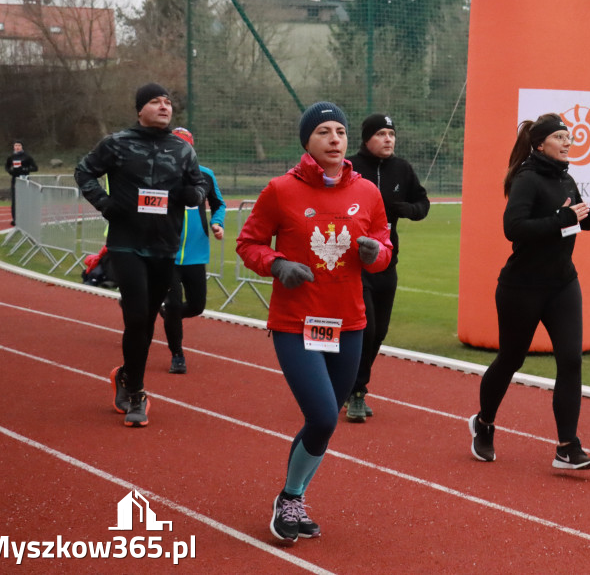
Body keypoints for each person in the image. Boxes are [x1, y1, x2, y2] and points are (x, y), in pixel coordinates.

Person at [236, 101, 392, 543]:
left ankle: (293, 496)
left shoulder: (368, 193)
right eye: (324, 131)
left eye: (340, 132)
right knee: (323, 416)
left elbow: (384, 247)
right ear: (307, 141)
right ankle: (290, 497)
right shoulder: (280, 190)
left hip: (349, 324)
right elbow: (249, 243)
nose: (335, 140)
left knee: (326, 419)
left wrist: (375, 255)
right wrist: (276, 264)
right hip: (295, 323)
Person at [469, 112, 590, 470]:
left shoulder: (566, 178)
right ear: (540, 144)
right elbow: (514, 228)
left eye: (569, 136)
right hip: (522, 287)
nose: (568, 142)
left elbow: (579, 222)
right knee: (511, 359)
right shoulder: (527, 179)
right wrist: (561, 219)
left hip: (562, 285)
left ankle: (567, 447)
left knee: (570, 361)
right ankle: (484, 423)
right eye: (560, 137)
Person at [74, 83, 207, 428]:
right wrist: (104, 204)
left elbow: (200, 183)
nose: (164, 106)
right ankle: (137, 391)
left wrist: (194, 192)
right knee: (135, 316)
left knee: (146, 320)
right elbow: (84, 171)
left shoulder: (182, 149)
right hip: (126, 243)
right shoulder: (117, 143)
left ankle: (126, 375)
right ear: (139, 109)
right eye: (155, 101)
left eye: (168, 102)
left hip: (164, 245)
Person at [344, 113, 430, 422]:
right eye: (381, 133)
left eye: (391, 134)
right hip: (353, 263)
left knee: (379, 331)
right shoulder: (350, 167)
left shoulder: (402, 169)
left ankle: (349, 383)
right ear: (367, 138)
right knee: (365, 329)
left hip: (386, 260)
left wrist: (407, 209)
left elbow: (423, 204)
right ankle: (356, 392)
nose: (388, 139)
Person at [161, 127, 226, 375]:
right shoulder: (160, 175)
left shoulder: (206, 176)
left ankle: (168, 314)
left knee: (197, 306)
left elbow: (218, 204)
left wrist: (216, 223)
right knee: (175, 304)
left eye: (185, 147)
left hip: (196, 254)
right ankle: (177, 354)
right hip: (167, 254)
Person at [5, 140, 38, 226]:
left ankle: (25, 218)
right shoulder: (11, 157)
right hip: (15, 180)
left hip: (24, 180)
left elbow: (35, 168)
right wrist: (10, 171)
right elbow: (7, 166)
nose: (17, 147)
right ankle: (15, 219)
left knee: (24, 200)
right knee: (15, 200)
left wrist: (24, 169)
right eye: (15, 145)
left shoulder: (27, 157)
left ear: (22, 147)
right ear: (13, 147)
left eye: (19, 145)